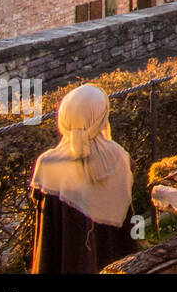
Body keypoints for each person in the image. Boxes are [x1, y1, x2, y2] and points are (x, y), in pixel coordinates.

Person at [30, 84, 137, 273]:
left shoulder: (47, 165)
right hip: (112, 257)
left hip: (62, 262)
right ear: (102, 118)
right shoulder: (120, 158)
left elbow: (43, 217)